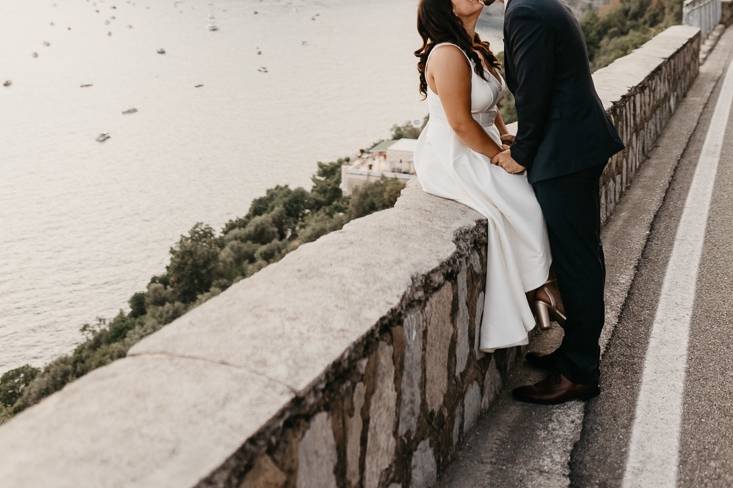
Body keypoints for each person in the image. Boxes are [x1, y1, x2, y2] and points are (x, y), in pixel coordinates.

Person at [413, 0, 562, 357]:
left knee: (535, 193)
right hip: (453, 154)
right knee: (525, 200)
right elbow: (461, 124)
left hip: (479, 143)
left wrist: (503, 135)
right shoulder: (447, 53)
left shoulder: (474, 47)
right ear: (447, 6)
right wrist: (498, 157)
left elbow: (489, 105)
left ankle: (542, 289)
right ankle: (542, 289)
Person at [497, 0, 625, 404]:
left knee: (577, 261)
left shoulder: (525, 11)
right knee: (579, 256)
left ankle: (579, 372)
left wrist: (522, 153)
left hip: (565, 152)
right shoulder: (538, 4)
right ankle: (574, 354)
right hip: (571, 145)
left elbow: (534, 90)